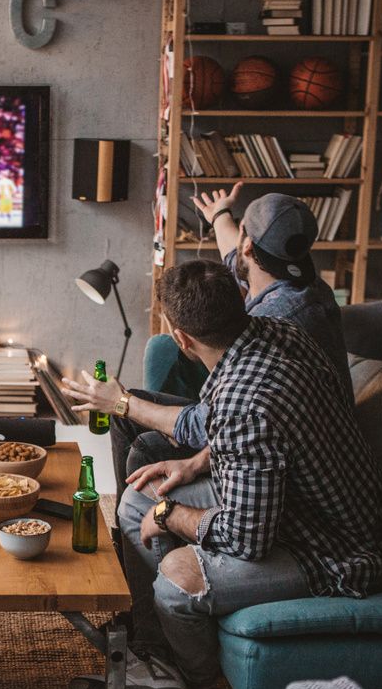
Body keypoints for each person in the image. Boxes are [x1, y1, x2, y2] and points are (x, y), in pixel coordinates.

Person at [70, 260, 382, 689]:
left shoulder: (244, 402)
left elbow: (248, 536)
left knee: (175, 580)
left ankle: (201, 686)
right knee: (133, 502)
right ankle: (155, 648)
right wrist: (195, 464)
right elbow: (238, 428)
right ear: (240, 299)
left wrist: (169, 515)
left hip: (335, 549)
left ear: (182, 339)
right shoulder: (278, 333)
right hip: (284, 499)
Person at [63, 185, 353, 502]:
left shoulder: (276, 326)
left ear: (249, 244)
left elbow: (210, 423)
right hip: (260, 420)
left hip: (278, 448)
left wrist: (120, 402)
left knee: (142, 441)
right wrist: (219, 215)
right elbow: (235, 255)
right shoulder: (296, 278)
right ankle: (122, 526)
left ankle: (133, 519)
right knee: (127, 417)